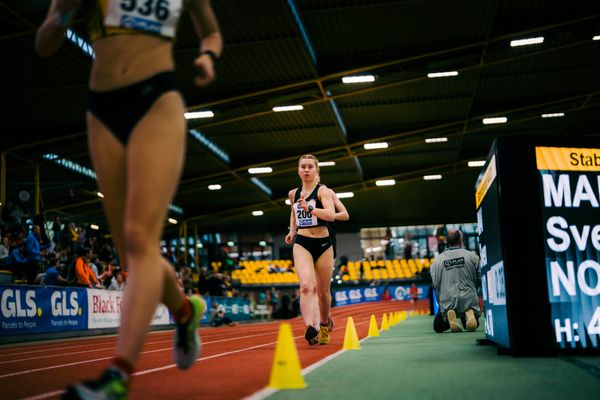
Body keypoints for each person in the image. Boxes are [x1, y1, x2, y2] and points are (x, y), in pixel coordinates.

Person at [35, 0, 223, 397]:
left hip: (157, 98)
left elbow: (211, 30)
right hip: (102, 109)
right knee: (131, 254)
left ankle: (118, 375)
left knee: (141, 238)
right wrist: (63, 14)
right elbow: (44, 43)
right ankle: (186, 311)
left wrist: (207, 55)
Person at [284, 154, 336, 345]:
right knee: (306, 287)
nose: (306, 170)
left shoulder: (323, 191)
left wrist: (310, 209)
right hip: (302, 242)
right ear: (298, 170)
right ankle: (310, 327)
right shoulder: (293, 193)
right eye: (303, 167)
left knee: (323, 292)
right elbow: (293, 212)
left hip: (323, 244)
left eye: (310, 167)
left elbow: (330, 215)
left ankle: (323, 324)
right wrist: (292, 230)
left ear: (316, 170)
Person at [430, 229, 481, 333]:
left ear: (446, 241)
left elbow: (435, 285)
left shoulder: (436, 261)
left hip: (448, 299)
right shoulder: (472, 256)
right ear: (460, 240)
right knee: (472, 323)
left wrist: (442, 305)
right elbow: (480, 279)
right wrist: (475, 293)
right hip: (468, 297)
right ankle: (469, 312)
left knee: (438, 326)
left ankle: (450, 313)